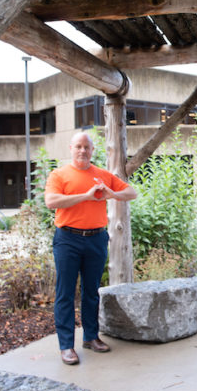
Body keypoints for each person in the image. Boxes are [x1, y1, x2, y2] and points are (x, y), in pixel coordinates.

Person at [45, 131, 137, 365]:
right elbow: (51, 201)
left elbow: (131, 192)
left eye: (87, 147)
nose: (83, 151)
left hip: (96, 239)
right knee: (65, 293)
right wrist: (85, 196)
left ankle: (90, 337)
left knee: (91, 291)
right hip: (68, 239)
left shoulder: (102, 175)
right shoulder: (59, 174)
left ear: (92, 150)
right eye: (78, 146)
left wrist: (112, 193)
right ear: (71, 148)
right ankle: (66, 346)